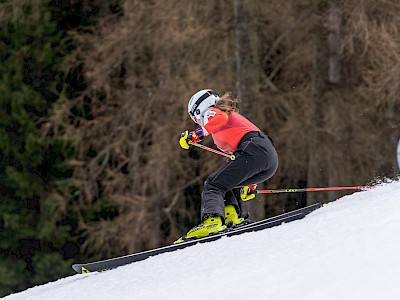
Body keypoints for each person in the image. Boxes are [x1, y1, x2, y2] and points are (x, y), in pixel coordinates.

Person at [175, 89, 278, 243]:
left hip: (255, 149)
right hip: (267, 158)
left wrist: (194, 135)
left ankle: (212, 221)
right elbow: (243, 161)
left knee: (213, 185)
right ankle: (232, 217)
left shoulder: (213, 112)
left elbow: (219, 119)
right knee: (224, 183)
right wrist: (251, 184)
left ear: (199, 110)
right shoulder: (224, 117)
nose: (198, 122)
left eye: (195, 119)